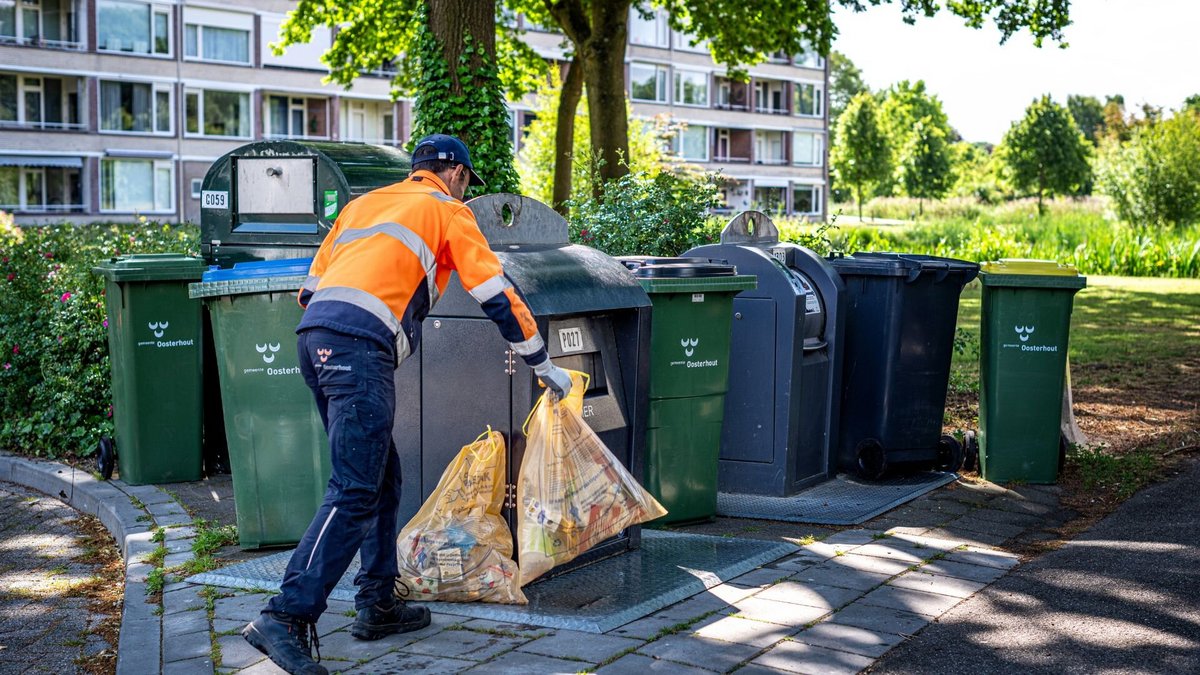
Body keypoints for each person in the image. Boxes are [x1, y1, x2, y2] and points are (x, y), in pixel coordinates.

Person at [242, 134, 573, 675]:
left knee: (381, 477)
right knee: (354, 488)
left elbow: (311, 288)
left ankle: (377, 603)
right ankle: (286, 614)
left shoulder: (363, 206)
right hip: (358, 349)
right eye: (465, 182)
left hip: (316, 338)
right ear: (457, 175)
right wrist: (542, 363)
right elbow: (496, 292)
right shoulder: (448, 210)